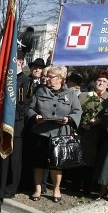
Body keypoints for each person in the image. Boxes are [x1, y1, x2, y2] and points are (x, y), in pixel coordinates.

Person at [26, 65, 83, 203]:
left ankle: (56, 189)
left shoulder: (70, 94)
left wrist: (69, 119)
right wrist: (35, 117)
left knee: (56, 164)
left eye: (50, 77)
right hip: (41, 133)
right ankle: (38, 189)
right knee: (39, 163)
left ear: (60, 79)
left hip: (59, 134)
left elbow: (77, 111)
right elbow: (30, 108)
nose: (47, 79)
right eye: (46, 76)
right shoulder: (39, 91)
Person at [73, 72, 108, 193]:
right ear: (94, 82)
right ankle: (75, 185)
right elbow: (76, 111)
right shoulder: (83, 96)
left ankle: (89, 186)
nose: (101, 83)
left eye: (104, 81)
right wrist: (82, 123)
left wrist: (100, 121)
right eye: (99, 80)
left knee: (94, 161)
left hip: (100, 134)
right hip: (84, 132)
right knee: (80, 159)